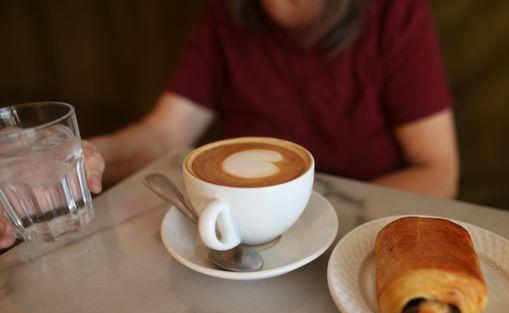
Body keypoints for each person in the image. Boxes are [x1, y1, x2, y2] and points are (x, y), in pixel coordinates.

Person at [0, 0, 458, 248]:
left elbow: (437, 170)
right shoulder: (227, 16)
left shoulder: (396, 12)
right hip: (240, 242)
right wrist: (78, 154)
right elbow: (162, 135)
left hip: (355, 242)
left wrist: (318, 220)